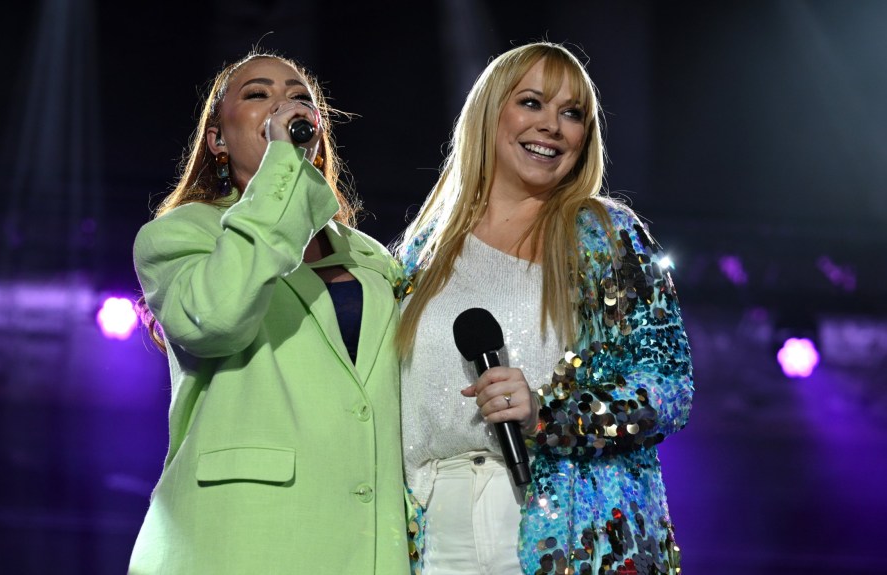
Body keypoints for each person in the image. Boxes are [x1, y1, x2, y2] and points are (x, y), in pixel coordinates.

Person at [393, 41, 694, 574]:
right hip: (436, 529)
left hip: (563, 525)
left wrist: (547, 416)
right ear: (491, 112)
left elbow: (668, 386)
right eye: (532, 103)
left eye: (572, 113)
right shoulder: (425, 250)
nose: (553, 125)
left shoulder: (606, 235)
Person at [128, 49, 410, 574]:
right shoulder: (179, 236)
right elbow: (216, 319)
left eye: (300, 98)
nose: (284, 104)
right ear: (216, 138)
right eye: (258, 94)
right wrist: (281, 168)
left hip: (365, 542)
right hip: (238, 538)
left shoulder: (372, 258)